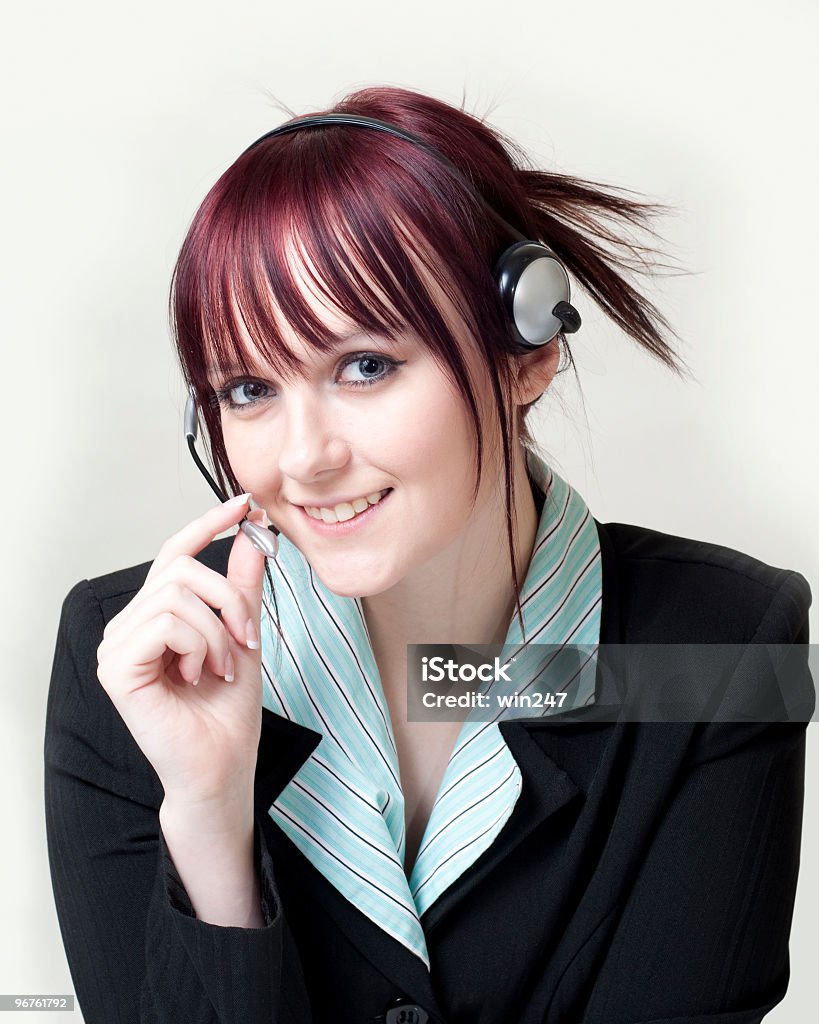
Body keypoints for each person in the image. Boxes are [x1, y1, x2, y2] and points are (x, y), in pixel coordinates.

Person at [44, 85, 813, 1024]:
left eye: (364, 366)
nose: (304, 458)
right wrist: (210, 823)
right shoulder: (133, 663)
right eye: (248, 389)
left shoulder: (720, 653)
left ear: (529, 352)